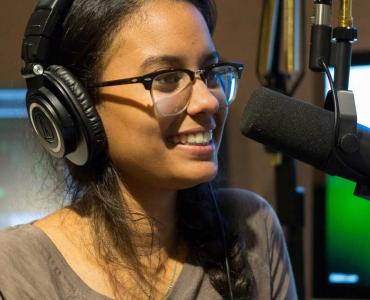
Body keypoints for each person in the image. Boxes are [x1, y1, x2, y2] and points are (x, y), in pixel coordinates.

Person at [0, 0, 297, 299]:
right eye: (166, 78)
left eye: (209, 72)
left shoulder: (251, 228)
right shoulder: (14, 269)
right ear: (78, 107)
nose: (208, 100)